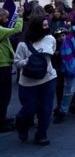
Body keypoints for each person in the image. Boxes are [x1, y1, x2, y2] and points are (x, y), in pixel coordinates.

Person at [13, 16, 57, 145]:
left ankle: (41, 135)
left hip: (48, 79)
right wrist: (30, 61)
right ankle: (22, 125)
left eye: (46, 25)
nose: (46, 27)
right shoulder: (23, 44)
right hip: (28, 82)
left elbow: (52, 53)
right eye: (43, 25)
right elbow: (17, 62)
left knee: (46, 109)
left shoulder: (50, 39)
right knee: (29, 109)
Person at [0, 7, 23, 132]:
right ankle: (1, 122)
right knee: (4, 95)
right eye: (6, 17)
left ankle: (2, 118)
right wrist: (20, 16)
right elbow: (17, 29)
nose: (7, 19)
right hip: (2, 65)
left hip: (4, 63)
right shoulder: (0, 30)